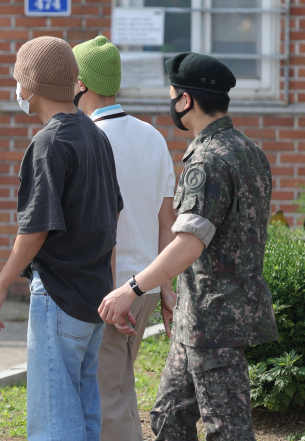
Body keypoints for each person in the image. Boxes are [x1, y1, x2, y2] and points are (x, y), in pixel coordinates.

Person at [98, 52, 278, 440]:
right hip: (200, 317)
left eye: (172, 95)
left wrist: (132, 288)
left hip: (215, 320)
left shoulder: (209, 158)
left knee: (226, 429)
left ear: (185, 101)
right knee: (168, 416)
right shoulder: (248, 150)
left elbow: (189, 243)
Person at [0, 36, 123, 441]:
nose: (16, 88)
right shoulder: (94, 135)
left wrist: (0, 284)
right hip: (92, 293)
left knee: (53, 419)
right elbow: (111, 215)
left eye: (17, 78)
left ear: (30, 86)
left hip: (59, 294)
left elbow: (35, 228)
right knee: (82, 410)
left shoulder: (49, 142)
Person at [72, 35, 177, 441]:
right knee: (121, 388)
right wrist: (167, 292)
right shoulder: (153, 136)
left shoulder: (88, 140)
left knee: (107, 398)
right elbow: (166, 221)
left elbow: (103, 224)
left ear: (82, 82)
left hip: (110, 290)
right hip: (146, 284)